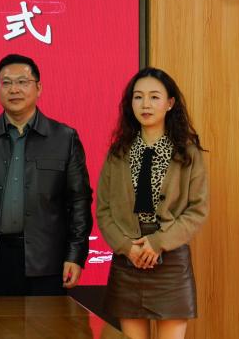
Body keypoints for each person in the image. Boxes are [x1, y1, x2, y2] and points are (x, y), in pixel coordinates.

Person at [0, 54, 92, 296]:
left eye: (22, 82)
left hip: (46, 260)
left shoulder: (64, 138)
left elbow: (79, 200)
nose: (14, 89)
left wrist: (75, 255)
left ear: (39, 88)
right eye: (6, 83)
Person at [97, 68, 208, 339]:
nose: (145, 104)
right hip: (128, 260)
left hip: (171, 263)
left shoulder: (188, 153)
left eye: (154, 97)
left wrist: (157, 243)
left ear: (170, 103)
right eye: (138, 97)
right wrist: (127, 247)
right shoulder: (118, 152)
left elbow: (197, 210)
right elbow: (104, 210)